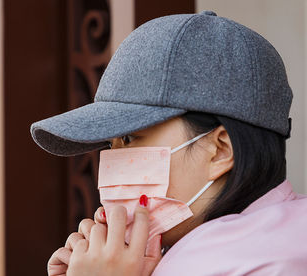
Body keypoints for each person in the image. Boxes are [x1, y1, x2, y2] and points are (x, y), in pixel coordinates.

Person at [30, 10, 307, 275]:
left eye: (129, 138)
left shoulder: (252, 264)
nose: (111, 166)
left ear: (220, 150)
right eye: (110, 144)